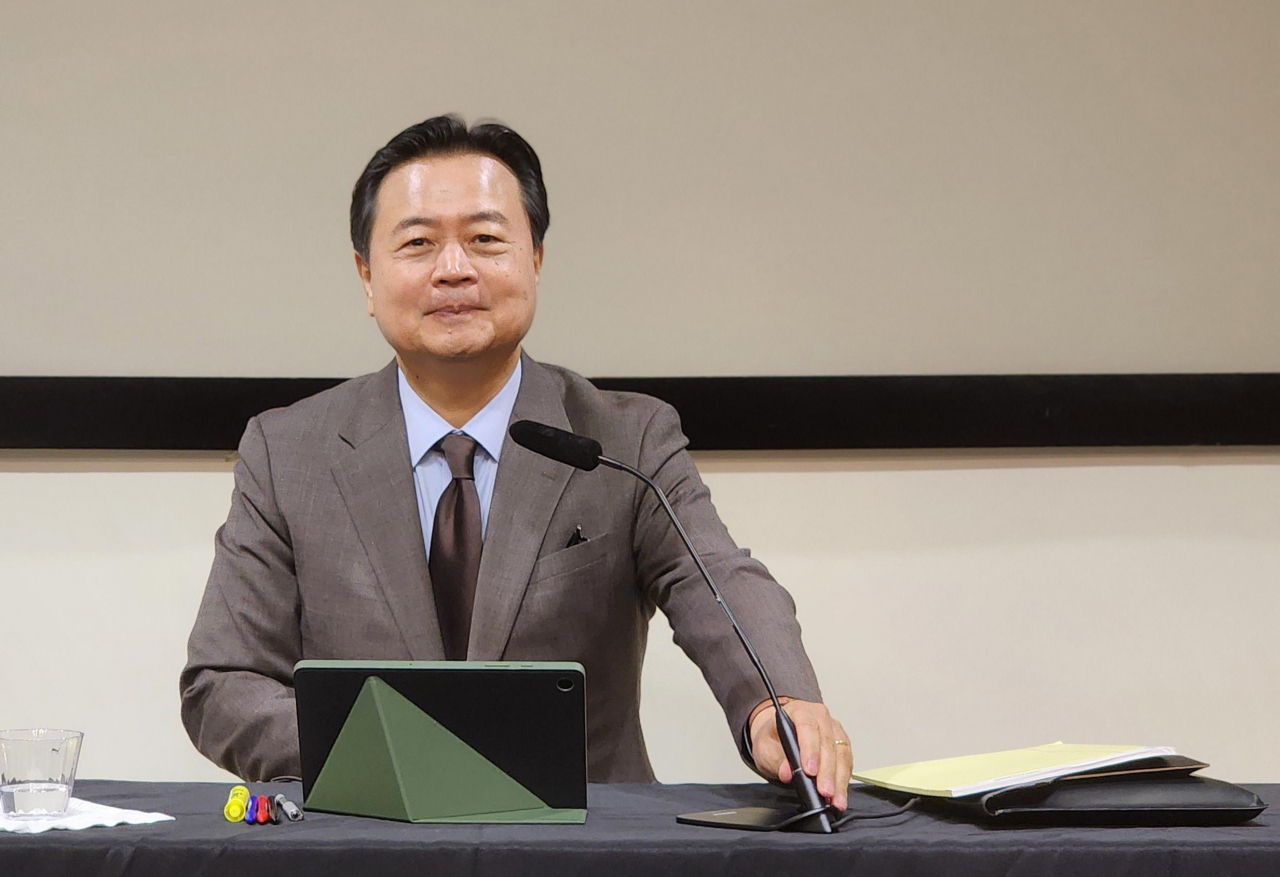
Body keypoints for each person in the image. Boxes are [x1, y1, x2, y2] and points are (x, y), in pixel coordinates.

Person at [180, 115, 853, 808]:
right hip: (363, 835)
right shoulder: (288, 451)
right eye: (417, 243)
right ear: (366, 277)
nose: (453, 269)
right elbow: (223, 681)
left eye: (485, 239)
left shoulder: (625, 440)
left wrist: (778, 699)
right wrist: (394, 752)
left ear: (535, 259)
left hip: (584, 846)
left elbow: (716, 579)